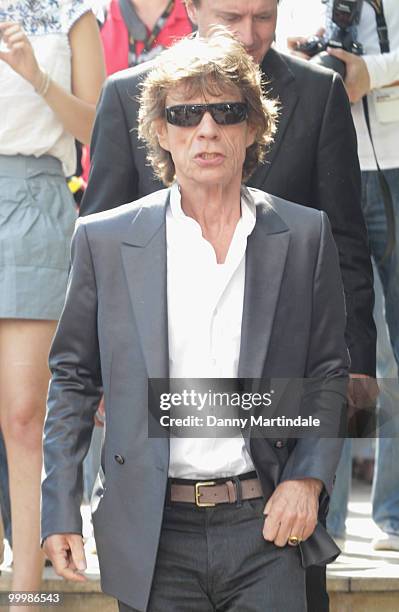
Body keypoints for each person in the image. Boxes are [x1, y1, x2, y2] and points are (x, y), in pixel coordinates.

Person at [79, 1, 376, 609]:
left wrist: (358, 365)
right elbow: (103, 247)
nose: (249, 35)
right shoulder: (127, 95)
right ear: (190, 7)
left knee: (289, 544)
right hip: (166, 410)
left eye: (263, 16)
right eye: (231, 17)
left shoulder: (318, 95)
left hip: (285, 395)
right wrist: (114, 365)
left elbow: (345, 242)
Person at [282, 0, 399, 552]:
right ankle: (327, 518)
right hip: (325, 164)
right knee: (337, 345)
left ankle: (394, 513)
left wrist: (369, 72)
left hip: (397, 165)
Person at [0, 0, 105, 602]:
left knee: (23, 418)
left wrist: (36, 77)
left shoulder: (75, 9)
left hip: (38, 199)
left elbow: (98, 128)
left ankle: (25, 594)